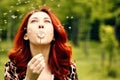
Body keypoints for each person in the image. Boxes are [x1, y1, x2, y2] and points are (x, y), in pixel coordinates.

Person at [4, 6, 78, 80]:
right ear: (26, 35)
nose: (41, 25)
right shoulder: (13, 67)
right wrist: (29, 78)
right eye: (34, 21)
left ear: (54, 36)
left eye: (47, 21)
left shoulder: (68, 68)